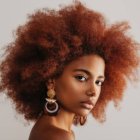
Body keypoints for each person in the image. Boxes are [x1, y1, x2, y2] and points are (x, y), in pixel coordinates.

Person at [0, 1, 139, 140]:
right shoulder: (58, 136)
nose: (93, 91)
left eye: (99, 82)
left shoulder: (53, 130)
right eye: (81, 78)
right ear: (51, 80)